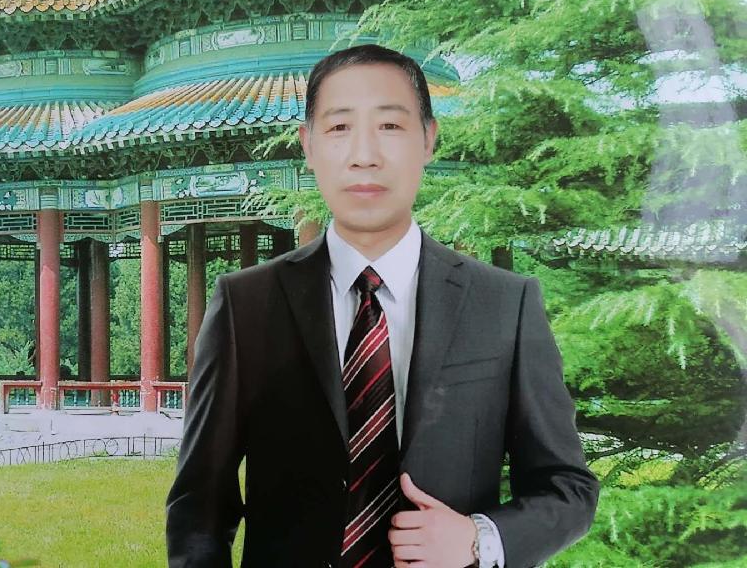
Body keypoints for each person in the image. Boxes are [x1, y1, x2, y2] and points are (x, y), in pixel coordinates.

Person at [165, 44, 599, 568]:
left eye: (390, 126)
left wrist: (476, 538)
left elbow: (567, 488)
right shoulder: (246, 304)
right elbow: (199, 506)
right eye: (339, 127)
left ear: (429, 139)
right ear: (308, 145)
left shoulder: (505, 303)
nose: (364, 155)